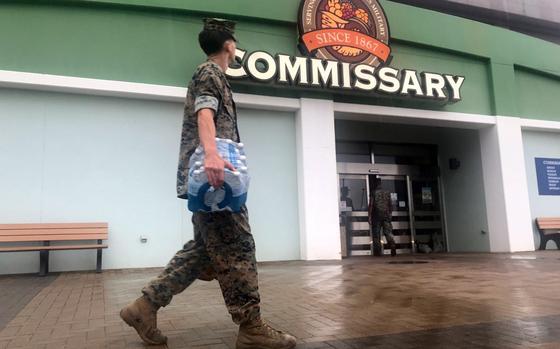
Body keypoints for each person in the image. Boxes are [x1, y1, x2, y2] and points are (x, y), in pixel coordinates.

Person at [119, 18, 297, 349]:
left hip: (213, 183)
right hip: (217, 184)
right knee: (238, 247)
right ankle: (251, 327)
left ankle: (143, 307)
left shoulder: (213, 76)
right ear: (229, 44)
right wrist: (212, 155)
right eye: (236, 42)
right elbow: (204, 114)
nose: (237, 46)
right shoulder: (209, 73)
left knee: (204, 252)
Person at [368, 176, 397, 257]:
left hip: (376, 216)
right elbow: (390, 205)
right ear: (381, 183)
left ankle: (377, 252)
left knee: (376, 234)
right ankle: (392, 246)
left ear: (375, 184)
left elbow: (371, 205)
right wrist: (390, 214)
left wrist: (369, 216)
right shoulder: (387, 192)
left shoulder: (373, 192)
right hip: (386, 216)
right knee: (388, 233)